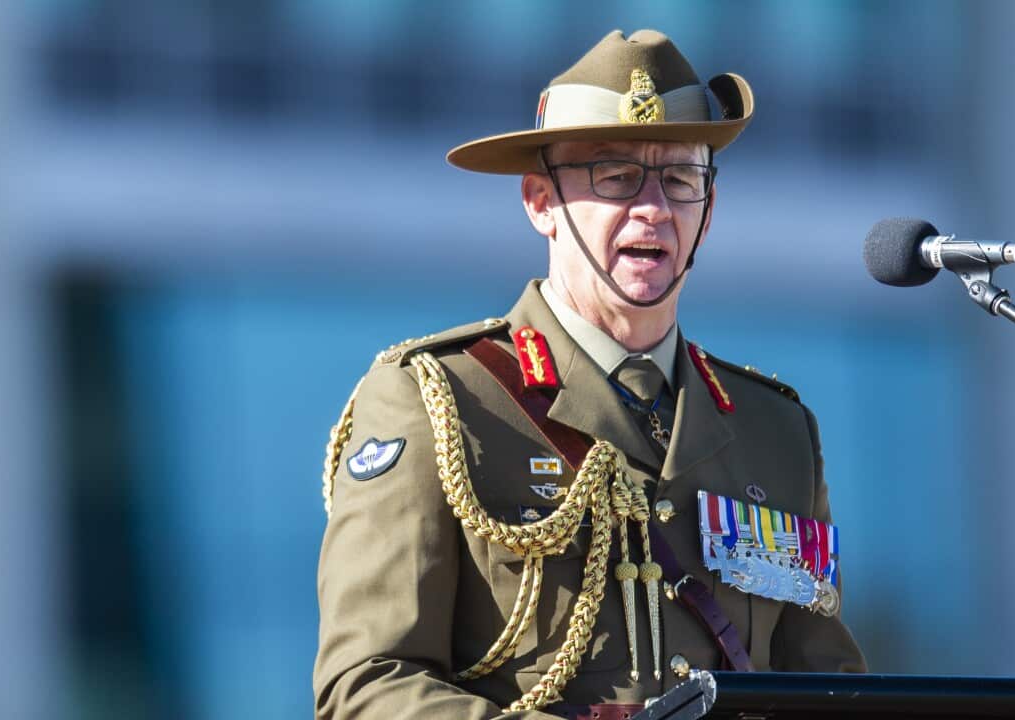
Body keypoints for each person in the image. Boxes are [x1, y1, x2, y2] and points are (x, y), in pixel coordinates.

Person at [313, 29, 866, 720]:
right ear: (540, 201)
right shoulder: (440, 399)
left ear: (710, 208)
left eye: (680, 178)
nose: (654, 208)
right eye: (614, 175)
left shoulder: (776, 429)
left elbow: (828, 688)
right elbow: (366, 685)